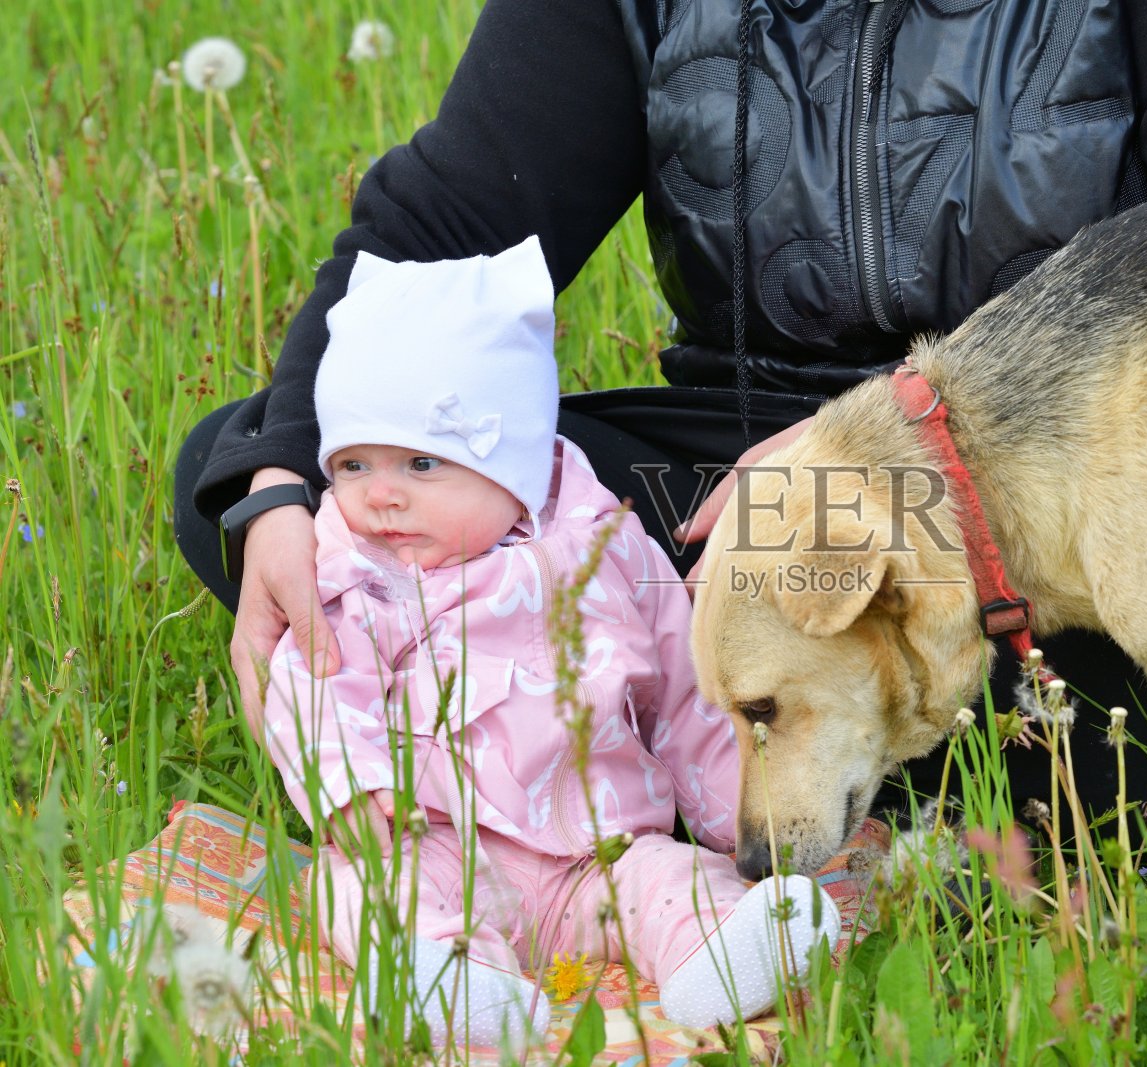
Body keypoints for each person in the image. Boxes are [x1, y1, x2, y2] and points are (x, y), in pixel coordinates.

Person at [176, 0, 1147, 868]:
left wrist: (889, 435)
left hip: (1093, 502)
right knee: (288, 487)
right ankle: (825, 752)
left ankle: (596, 761)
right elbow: (448, 223)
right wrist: (286, 477)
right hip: (738, 472)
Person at [261, 234, 839, 1048]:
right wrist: (353, 789)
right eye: (352, 464)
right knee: (368, 889)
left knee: (669, 883)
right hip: (443, 848)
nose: (380, 496)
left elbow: (682, 686)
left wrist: (746, 813)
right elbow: (313, 681)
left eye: (421, 463)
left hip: (600, 854)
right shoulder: (357, 567)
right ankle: (448, 974)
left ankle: (727, 950)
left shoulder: (606, 542)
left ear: (518, 465)